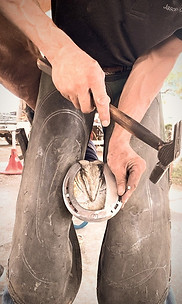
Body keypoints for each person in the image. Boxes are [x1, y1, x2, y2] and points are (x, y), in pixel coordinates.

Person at [0, 0, 182, 303]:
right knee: (40, 241)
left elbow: (159, 53)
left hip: (134, 71)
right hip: (64, 56)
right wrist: (59, 50)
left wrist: (121, 141)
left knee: (139, 248)